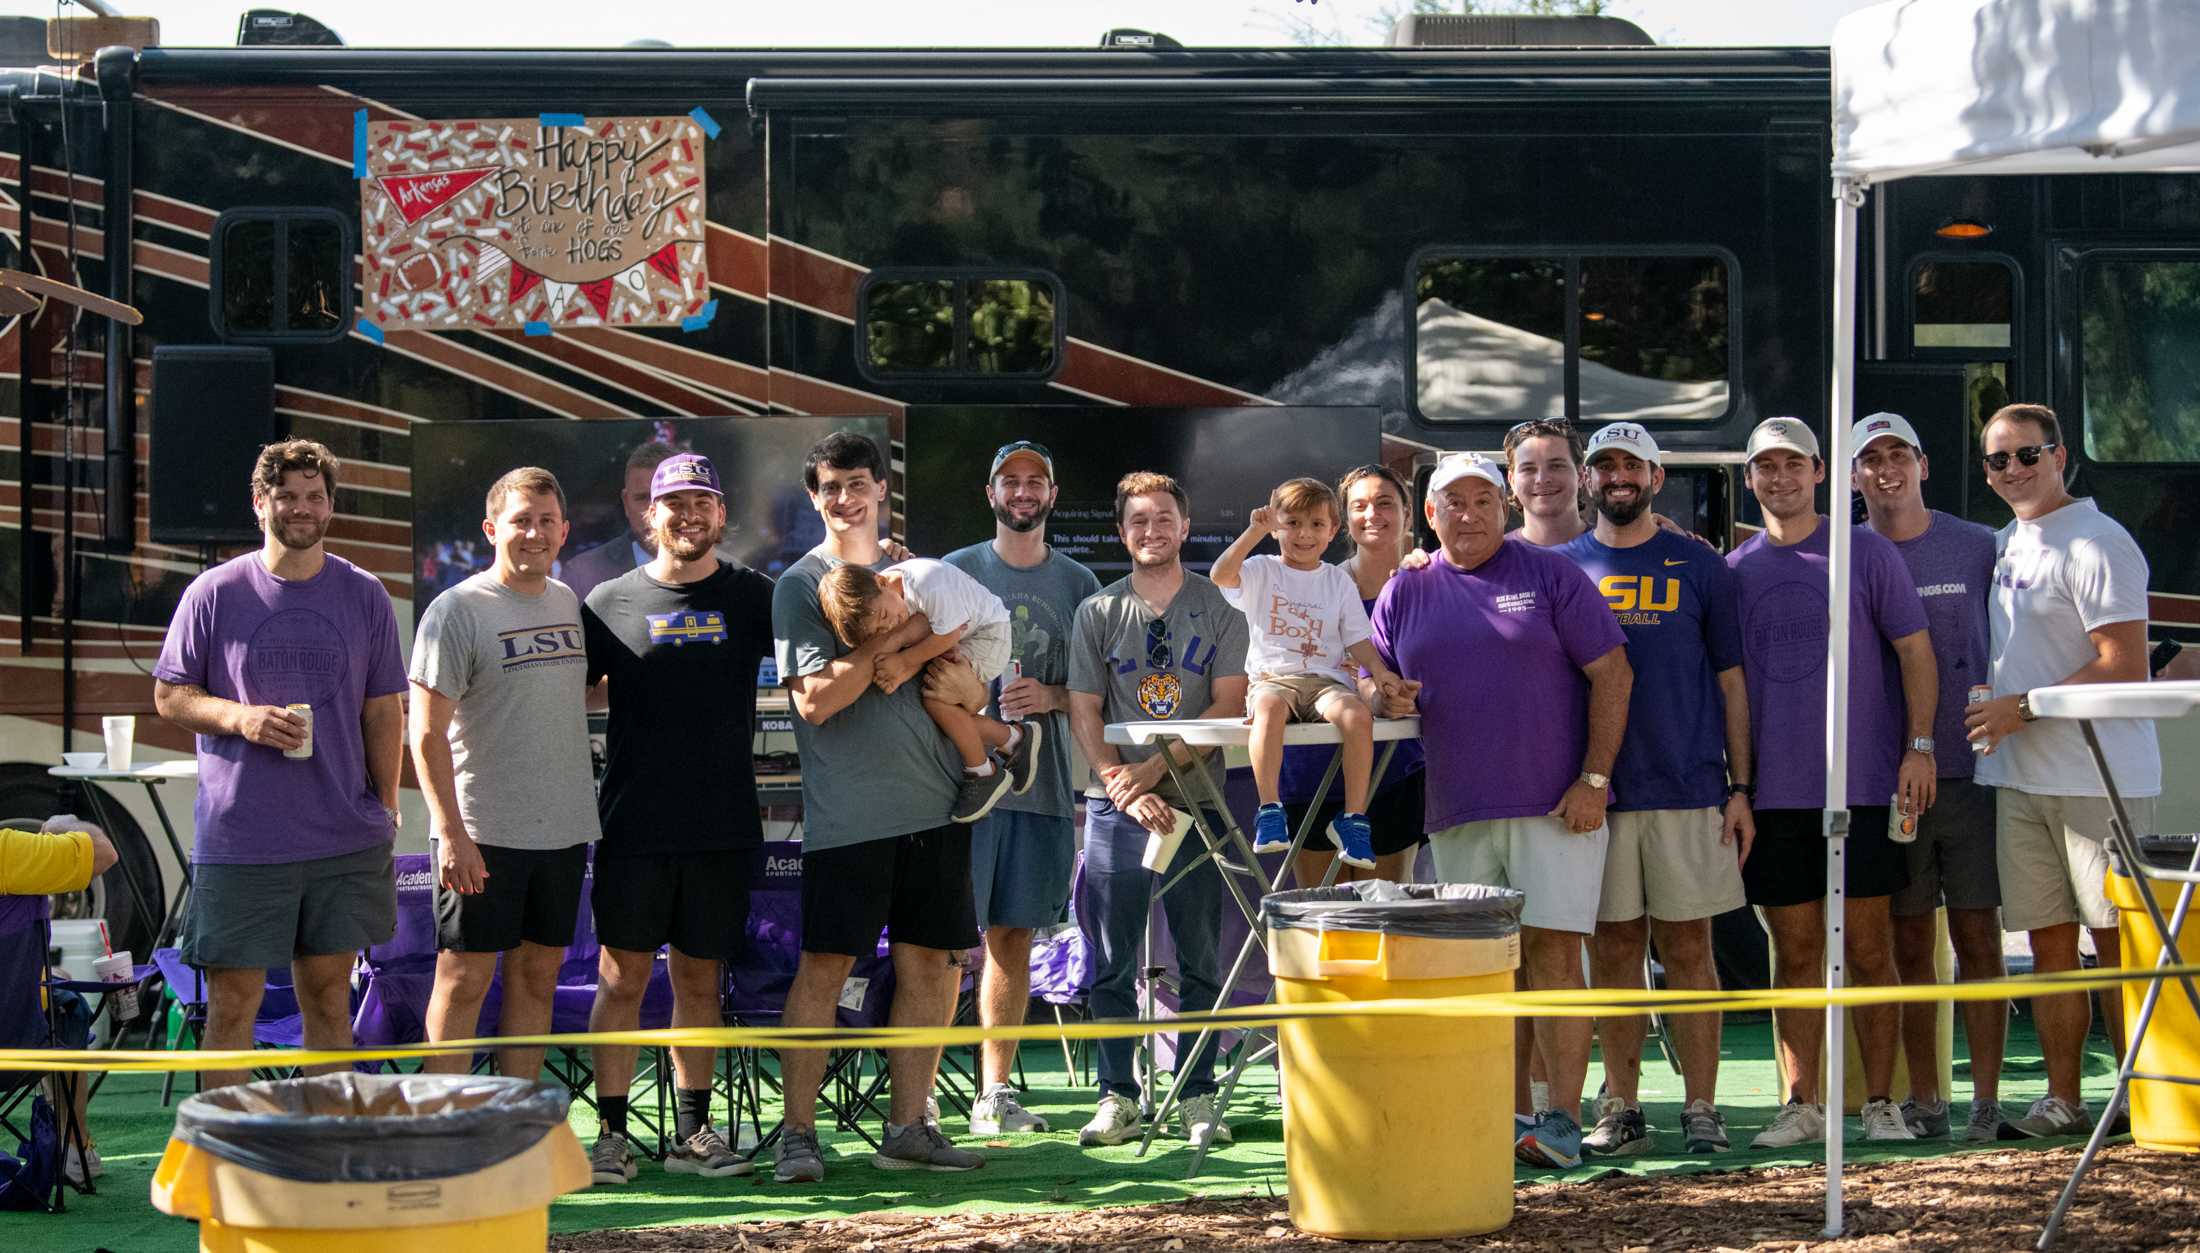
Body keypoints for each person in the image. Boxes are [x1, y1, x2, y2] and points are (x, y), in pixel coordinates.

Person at [1368, 451, 1631, 1170]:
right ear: (1430, 515)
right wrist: (1381, 696)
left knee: (1552, 958)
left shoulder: (1551, 575)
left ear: (1503, 507)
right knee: (1486, 968)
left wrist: (1595, 778)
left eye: (1483, 499)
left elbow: (1613, 672)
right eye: (1453, 501)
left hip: (1556, 806)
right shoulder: (1404, 590)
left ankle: (1564, 1120)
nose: (1469, 513)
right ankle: (1505, 1115)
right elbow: (1382, 687)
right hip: (1456, 810)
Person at [152, 439, 406, 1092]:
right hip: (243, 839)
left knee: (328, 999)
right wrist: (243, 718)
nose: (302, 507)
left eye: (314, 496)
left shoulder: (365, 594)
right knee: (233, 1003)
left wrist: (387, 804)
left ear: (330, 505)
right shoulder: (213, 593)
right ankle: (222, 1165)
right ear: (259, 501)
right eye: (287, 495)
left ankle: (327, 1156)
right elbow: (169, 693)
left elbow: (383, 710)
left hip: (343, 837)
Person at [772, 431, 985, 1182]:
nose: (844, 497)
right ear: (814, 497)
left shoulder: (916, 574)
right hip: (850, 818)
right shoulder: (800, 585)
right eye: (830, 486)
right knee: (824, 967)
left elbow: (971, 662)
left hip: (938, 806)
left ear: (881, 489)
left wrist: (921, 647)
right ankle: (797, 1135)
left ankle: (910, 1126)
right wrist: (885, 645)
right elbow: (819, 700)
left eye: (857, 482)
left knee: (936, 963)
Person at [1727, 417, 1937, 1148]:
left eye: (1794, 464)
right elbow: (1731, 690)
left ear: (1820, 472)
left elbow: (1915, 653)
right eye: (1765, 467)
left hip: (1866, 788)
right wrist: (1741, 787)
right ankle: (1801, 1102)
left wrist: (1919, 748)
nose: (1780, 478)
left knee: (1873, 950)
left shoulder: (1867, 553)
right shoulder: (1736, 569)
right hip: (1776, 796)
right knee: (1797, 952)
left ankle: (1882, 1102)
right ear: (1749, 479)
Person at [1965, 402, 2159, 1140]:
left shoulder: (2100, 540)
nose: (2011, 469)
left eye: (2026, 453)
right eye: (1996, 459)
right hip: (2020, 778)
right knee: (2048, 946)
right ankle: (2064, 1098)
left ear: (2060, 454)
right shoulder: (2011, 540)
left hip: (2098, 779)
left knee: (2117, 945)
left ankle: (2141, 1094)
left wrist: (2027, 707)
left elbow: (2127, 664)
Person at [581, 452, 776, 1183]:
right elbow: (563, 695)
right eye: (673, 503)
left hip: (721, 823)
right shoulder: (606, 600)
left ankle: (693, 1134)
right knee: (621, 980)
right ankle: (610, 1135)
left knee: (699, 979)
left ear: (721, 514)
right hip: (633, 823)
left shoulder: (756, 596)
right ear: (647, 514)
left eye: (703, 502)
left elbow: (827, 652)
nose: (688, 515)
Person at [1558, 423, 1752, 1156]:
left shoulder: (1701, 565)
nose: (1617, 476)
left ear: (1656, 476)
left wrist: (1742, 784)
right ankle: (1624, 1104)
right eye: (1603, 464)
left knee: (1691, 950)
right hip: (1598, 795)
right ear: (1587, 479)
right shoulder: (1562, 567)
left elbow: (1733, 682)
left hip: (1689, 784)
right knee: (1612, 952)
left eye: (1630, 464)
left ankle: (1703, 1105)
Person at [1068, 471, 1249, 1151]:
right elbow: (1084, 708)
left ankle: (1196, 1094)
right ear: (1122, 532)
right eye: (1138, 520)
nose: (1152, 530)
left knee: (1201, 955)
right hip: (1117, 807)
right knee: (1111, 957)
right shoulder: (1097, 611)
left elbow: (1227, 705)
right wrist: (1119, 780)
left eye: (1164, 517)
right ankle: (1118, 1096)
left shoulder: (1219, 608)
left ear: (1184, 523)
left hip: (1194, 802)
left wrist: (1149, 772)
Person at [408, 467, 599, 1092]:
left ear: (564, 531)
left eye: (547, 521)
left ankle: (515, 1122)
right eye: (521, 521)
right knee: (463, 980)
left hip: (564, 829)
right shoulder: (456, 610)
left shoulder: (568, 601)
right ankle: (444, 1124)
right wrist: (452, 834)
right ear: (493, 529)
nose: (534, 534)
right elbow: (425, 733)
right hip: (483, 832)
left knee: (537, 979)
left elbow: (572, 696)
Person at [1850, 412, 2008, 1143]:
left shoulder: (1980, 546)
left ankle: (1985, 1101)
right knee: (1908, 946)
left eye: (1898, 455)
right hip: (1888, 787)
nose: (1886, 469)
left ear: (1924, 463)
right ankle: (1926, 1098)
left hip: (1973, 775)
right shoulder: (1843, 555)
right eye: (1870, 458)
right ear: (1850, 476)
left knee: (1979, 938)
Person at [943, 440, 1102, 1136]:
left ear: (1052, 494)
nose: (1024, 490)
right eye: (1011, 479)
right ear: (991, 493)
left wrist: (1055, 694)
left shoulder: (1080, 584)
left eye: (1036, 479)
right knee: (944, 942)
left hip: (1042, 790)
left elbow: (1101, 691)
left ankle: (995, 1092)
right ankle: (917, 1100)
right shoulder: (955, 572)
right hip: (961, 789)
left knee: (1012, 937)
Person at [1212, 477, 1404, 870]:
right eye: (1293, 523)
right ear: (1276, 524)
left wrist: (1381, 671)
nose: (1304, 534)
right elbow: (1220, 575)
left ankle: (1353, 818)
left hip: (1325, 681)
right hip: (1273, 679)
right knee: (1267, 712)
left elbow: (1357, 638)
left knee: (1357, 716)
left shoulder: (1337, 580)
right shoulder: (1262, 569)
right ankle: (1269, 809)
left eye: (1317, 524)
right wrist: (1255, 530)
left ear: (1334, 530)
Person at [1282, 465, 1428, 890]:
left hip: (1393, 772)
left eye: (1385, 503)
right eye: (1359, 505)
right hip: (1310, 770)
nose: (1373, 514)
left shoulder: (1427, 583)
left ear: (1408, 513)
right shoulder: (1311, 584)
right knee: (1321, 921)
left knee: (1386, 917)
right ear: (1345, 520)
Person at [817, 557, 1041, 822]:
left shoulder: (928, 582)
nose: (889, 627)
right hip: (963, 632)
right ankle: (1013, 740)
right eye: (878, 632)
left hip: (988, 635)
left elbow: (947, 636)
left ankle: (983, 772)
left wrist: (902, 662)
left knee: (937, 700)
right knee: (939, 714)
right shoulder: (892, 593)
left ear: (881, 581)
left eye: (885, 617)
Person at [2, 816, 119, 1184]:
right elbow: (104, 853)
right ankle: (74, 1146)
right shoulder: (12, 852)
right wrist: (69, 825)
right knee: (67, 1006)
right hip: (18, 1050)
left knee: (54, 989)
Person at [560, 440, 678, 601]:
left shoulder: (722, 571)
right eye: (643, 498)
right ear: (626, 502)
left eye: (666, 498)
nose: (654, 511)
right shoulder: (582, 574)